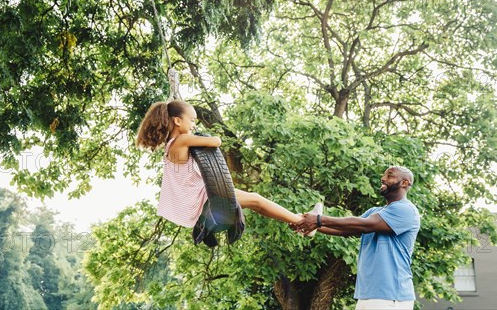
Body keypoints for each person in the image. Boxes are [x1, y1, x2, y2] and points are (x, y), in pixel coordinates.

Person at [136, 100, 321, 235]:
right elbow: (216, 141)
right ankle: (301, 222)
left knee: (256, 204)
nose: (194, 125)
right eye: (192, 120)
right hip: (204, 197)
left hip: (199, 199)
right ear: (177, 121)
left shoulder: (170, 146)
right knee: (256, 199)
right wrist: (203, 136)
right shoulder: (183, 140)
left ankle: (299, 223)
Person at [292, 166, 421, 310]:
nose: (383, 179)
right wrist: (309, 225)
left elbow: (366, 225)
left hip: (391, 296)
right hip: (368, 294)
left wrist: (319, 220)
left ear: (404, 183)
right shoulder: (375, 212)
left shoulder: (406, 210)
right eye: (384, 175)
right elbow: (347, 229)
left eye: (389, 176)